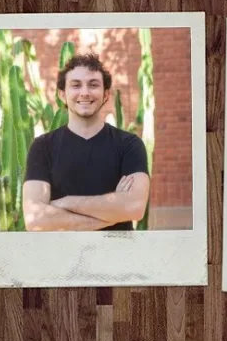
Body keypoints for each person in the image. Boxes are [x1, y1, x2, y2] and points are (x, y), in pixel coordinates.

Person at [22, 53, 150, 231]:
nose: (85, 92)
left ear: (106, 94)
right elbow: (35, 220)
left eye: (93, 85)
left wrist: (64, 203)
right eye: (75, 85)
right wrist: (113, 212)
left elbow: (135, 208)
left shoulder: (129, 144)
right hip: (62, 255)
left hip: (118, 254)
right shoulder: (42, 147)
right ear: (62, 95)